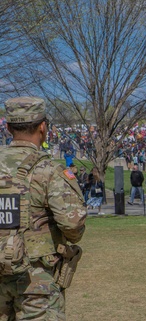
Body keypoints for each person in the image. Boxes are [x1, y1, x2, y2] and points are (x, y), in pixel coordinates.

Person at [0, 96, 87, 319]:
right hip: (36, 281)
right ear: (43, 127)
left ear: (9, 128)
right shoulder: (48, 170)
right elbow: (73, 226)